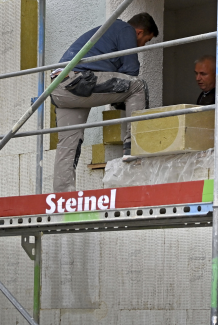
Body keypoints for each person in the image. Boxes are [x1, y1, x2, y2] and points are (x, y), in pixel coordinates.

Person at [50, 13, 158, 192]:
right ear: (139, 32)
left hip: (60, 87)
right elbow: (131, 71)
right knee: (138, 86)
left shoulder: (107, 34)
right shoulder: (125, 29)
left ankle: (62, 196)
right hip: (78, 81)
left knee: (69, 144)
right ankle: (134, 145)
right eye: (145, 41)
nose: (141, 45)